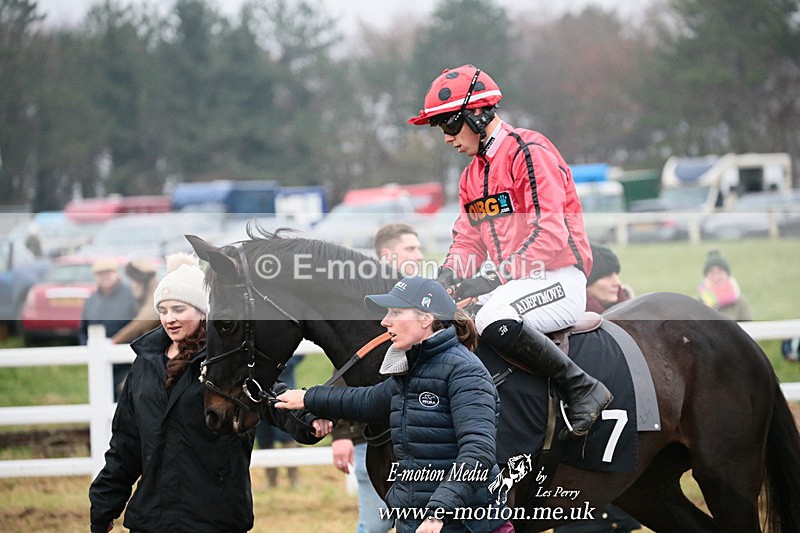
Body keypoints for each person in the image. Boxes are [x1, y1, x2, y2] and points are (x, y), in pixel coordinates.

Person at [408, 64, 611, 438]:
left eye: (450, 125)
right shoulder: (471, 177)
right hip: (511, 285)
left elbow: (549, 232)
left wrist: (489, 278)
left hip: (557, 280)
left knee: (491, 316)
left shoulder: (530, 153)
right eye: (441, 129)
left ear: (477, 114)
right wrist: (448, 276)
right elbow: (469, 240)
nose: (447, 138)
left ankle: (582, 387)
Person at [89, 252, 331, 533]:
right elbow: (125, 445)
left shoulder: (226, 362)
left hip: (215, 516)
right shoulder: (145, 363)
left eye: (179, 309)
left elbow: (270, 396)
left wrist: (308, 418)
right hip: (152, 518)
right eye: (164, 310)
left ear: (204, 311)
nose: (170, 319)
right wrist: (104, 507)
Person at [276, 276, 512, 533]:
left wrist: (437, 514)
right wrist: (307, 397)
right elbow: (367, 401)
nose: (384, 321)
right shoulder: (414, 368)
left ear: (426, 319)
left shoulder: (465, 372)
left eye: (396, 312)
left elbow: (477, 453)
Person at [330, 222, 424, 533]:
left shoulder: (418, 303)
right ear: (387, 256)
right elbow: (346, 370)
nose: (420, 255)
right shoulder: (367, 309)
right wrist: (342, 433)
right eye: (410, 249)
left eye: (418, 247)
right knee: (374, 526)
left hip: (406, 432)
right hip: (367, 434)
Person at [554, 243, 642, 533]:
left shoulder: (627, 313)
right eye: (607, 275)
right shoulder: (572, 326)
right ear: (588, 282)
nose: (616, 281)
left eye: (617, 273)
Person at [80, 259, 138, 398]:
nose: (104, 276)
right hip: (98, 360)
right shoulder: (91, 300)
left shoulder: (131, 296)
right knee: (101, 397)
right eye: (100, 274)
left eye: (108, 273)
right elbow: (83, 329)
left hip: (125, 362)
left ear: (117, 274)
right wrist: (87, 349)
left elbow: (138, 327)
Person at [255, 354, 305, 489]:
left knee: (287, 433)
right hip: (259, 390)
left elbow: (299, 352)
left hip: (285, 387)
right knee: (264, 435)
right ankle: (271, 481)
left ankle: (294, 479)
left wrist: (286, 364)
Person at [110, 259, 161, 344]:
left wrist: (115, 340)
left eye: (133, 280)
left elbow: (141, 322)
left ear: (141, 280)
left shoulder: (155, 293)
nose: (132, 285)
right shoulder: (146, 294)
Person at [697, 249, 753, 321]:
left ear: (728, 275)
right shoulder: (698, 303)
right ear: (706, 277)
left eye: (720, 273)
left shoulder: (740, 302)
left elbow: (749, 327)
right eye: (711, 273)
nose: (716, 278)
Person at [584, 243, 634, 314]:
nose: (617, 283)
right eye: (606, 276)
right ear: (586, 284)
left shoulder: (634, 313)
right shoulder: (570, 320)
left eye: (616, 274)